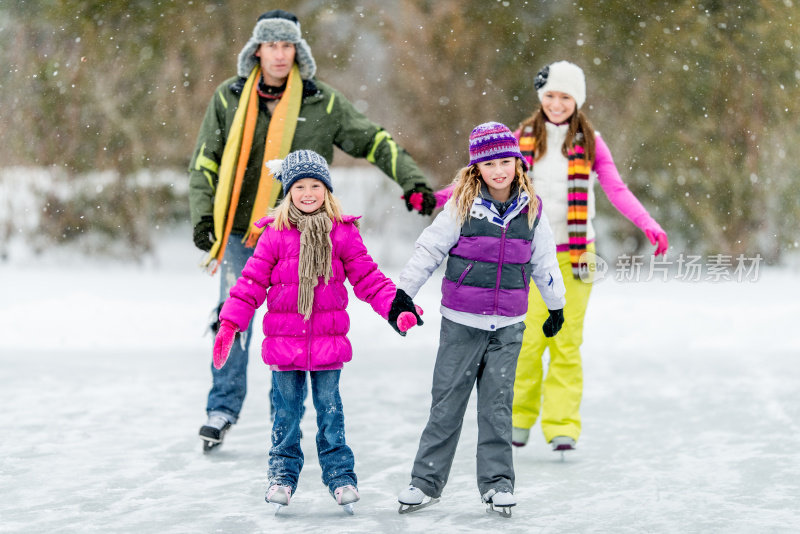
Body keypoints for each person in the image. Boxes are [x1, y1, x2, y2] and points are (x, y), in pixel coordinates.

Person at [188, 9, 436, 451]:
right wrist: (204, 216)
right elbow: (206, 161)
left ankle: (279, 419)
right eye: (272, 46)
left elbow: (375, 140)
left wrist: (412, 180)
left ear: (298, 51)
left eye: (288, 46)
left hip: (304, 236)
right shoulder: (229, 98)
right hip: (243, 231)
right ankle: (222, 408)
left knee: (298, 323)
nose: (280, 55)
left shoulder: (322, 102)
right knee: (232, 314)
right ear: (257, 51)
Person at [211, 149, 423, 511]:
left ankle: (341, 478)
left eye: (315, 185)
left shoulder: (342, 233)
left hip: (328, 344)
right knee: (286, 414)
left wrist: (394, 306)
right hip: (283, 345)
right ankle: (281, 477)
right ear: (288, 191)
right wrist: (230, 322)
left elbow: (368, 278)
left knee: (330, 412)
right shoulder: (275, 234)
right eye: (299, 186)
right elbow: (250, 283)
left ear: (327, 190)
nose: (308, 193)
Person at [394, 122, 566, 516]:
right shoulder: (460, 205)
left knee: (497, 408)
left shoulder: (533, 210)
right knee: (447, 405)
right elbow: (429, 250)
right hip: (461, 323)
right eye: (490, 163)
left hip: (508, 326)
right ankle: (425, 482)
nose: (499, 170)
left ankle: (498, 484)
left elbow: (544, 261)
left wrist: (556, 304)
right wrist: (404, 294)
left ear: (518, 163)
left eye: (506, 161)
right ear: (476, 168)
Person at [510, 61, 669, 454]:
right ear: (541, 98)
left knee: (566, 341)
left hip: (578, 255)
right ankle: (516, 417)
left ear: (577, 100)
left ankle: (562, 425)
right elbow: (481, 174)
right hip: (529, 255)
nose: (557, 104)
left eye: (565, 97)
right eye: (550, 95)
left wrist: (647, 222)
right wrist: (438, 198)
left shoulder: (591, 141)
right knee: (527, 340)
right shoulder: (522, 137)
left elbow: (616, 188)